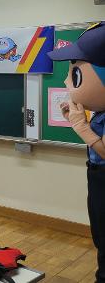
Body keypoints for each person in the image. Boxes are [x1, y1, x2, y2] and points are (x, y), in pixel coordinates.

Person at [47, 22, 105, 282]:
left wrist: (82, 127)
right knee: (102, 239)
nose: (67, 82)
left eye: (76, 75)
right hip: (97, 179)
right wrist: (78, 121)